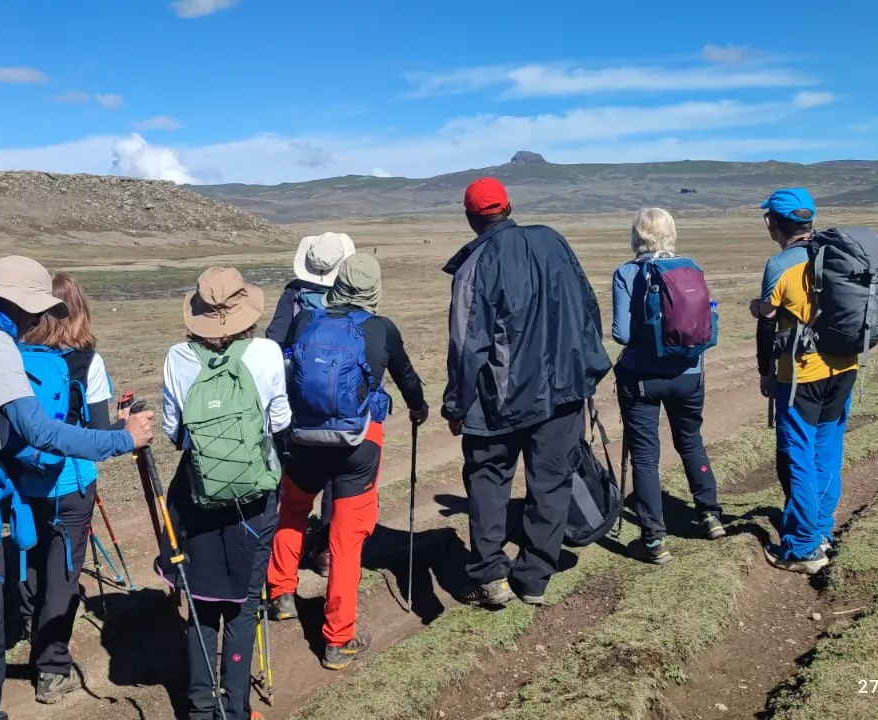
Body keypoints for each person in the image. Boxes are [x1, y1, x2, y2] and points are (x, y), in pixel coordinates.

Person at [0, 255, 155, 720]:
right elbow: (41, 432)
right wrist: (124, 438)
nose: (39, 319)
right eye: (36, 309)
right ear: (18, 304)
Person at [442, 178, 611, 607]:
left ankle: (491, 576)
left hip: (502, 400)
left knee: (488, 479)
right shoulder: (554, 242)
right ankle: (534, 577)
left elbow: (466, 346)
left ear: (470, 217)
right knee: (551, 481)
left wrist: (456, 405)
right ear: (509, 207)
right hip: (563, 390)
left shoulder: (475, 264)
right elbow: (587, 306)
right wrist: (585, 370)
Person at [268, 253, 427, 670]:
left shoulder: (307, 321)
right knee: (345, 539)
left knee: (294, 511)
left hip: (303, 439)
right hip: (358, 445)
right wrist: (419, 408)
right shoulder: (381, 329)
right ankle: (337, 639)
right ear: (374, 289)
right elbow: (407, 378)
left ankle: (281, 593)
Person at [160, 266, 290, 720]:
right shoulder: (268, 352)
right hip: (253, 503)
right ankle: (235, 710)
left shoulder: (177, 357)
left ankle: (198, 708)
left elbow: (174, 433)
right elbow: (279, 424)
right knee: (243, 606)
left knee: (199, 601)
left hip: (195, 499)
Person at [8, 272, 119, 704]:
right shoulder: (88, 362)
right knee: (64, 572)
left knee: (30, 558)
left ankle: (26, 624)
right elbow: (99, 431)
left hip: (21, 479)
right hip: (71, 483)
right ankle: (52, 669)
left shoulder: (13, 356)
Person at [610, 208, 726, 565]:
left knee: (646, 455)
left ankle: (654, 541)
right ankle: (710, 516)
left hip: (643, 379)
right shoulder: (690, 267)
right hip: (690, 374)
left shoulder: (627, 272)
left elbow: (622, 334)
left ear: (637, 235)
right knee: (691, 441)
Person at [751, 187, 856, 574]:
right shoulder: (838, 254)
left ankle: (803, 548)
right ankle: (823, 530)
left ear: (773, 223)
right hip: (844, 368)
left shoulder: (780, 265)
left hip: (800, 376)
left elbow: (767, 323)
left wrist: (765, 372)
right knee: (827, 449)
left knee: (799, 455)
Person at [262, 231, 356, 577]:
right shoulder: (348, 293)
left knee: (295, 479)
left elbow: (274, 340)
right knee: (336, 474)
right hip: (341, 398)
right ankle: (327, 553)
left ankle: (284, 555)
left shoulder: (293, 293)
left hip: (297, 399)